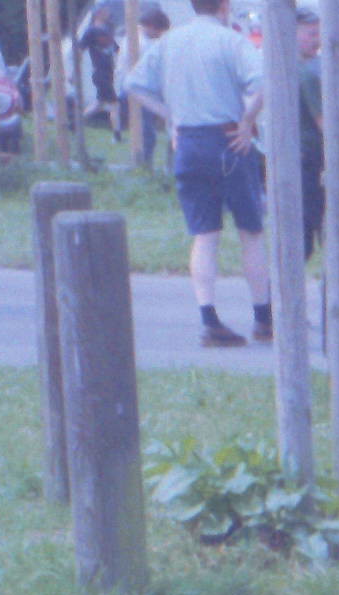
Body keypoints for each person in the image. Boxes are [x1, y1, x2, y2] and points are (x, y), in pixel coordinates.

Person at [124, 0, 270, 348]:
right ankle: (263, 318)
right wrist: (247, 121)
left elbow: (133, 85)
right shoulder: (232, 41)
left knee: (205, 235)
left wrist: (170, 116)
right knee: (251, 231)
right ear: (224, 6)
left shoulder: (169, 41)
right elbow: (265, 82)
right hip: (228, 139)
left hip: (188, 142)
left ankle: (209, 318)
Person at [293, 6, 325, 249]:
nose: (318, 40)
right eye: (312, 34)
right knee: (315, 221)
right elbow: (324, 123)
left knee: (301, 226)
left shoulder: (285, 69)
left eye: (319, 34)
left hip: (297, 155)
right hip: (312, 158)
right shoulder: (308, 75)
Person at [130, 5, 171, 171]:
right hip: (142, 92)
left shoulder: (137, 39)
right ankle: (145, 166)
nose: (160, 35)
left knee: (150, 131)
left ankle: (147, 165)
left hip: (144, 90)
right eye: (160, 31)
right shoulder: (142, 44)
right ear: (152, 26)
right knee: (147, 133)